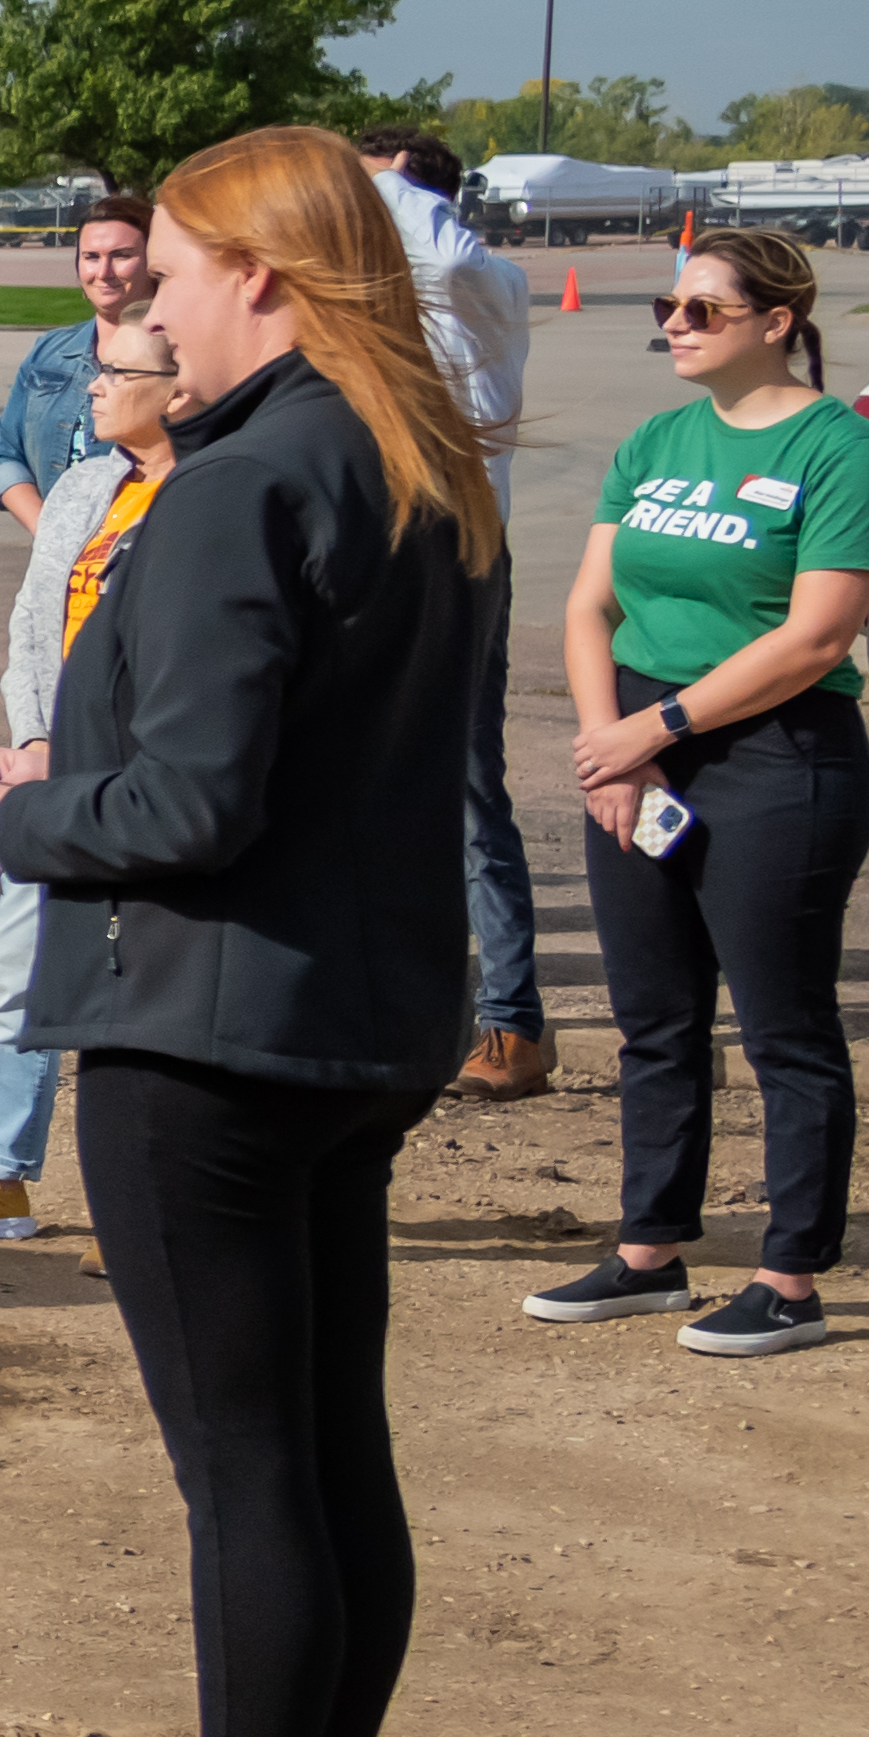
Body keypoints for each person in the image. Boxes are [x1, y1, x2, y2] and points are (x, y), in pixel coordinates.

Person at [0, 126, 492, 1737]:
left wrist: (3, 820)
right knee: (332, 1453)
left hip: (209, 1030)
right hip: (356, 1014)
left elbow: (186, 800)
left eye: (166, 267)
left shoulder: (243, 482)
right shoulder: (410, 461)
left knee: (246, 1472)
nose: (140, 300)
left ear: (261, 270)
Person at [529, 230, 869, 1359]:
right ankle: (651, 1250)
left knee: (783, 1028)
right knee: (654, 1018)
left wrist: (659, 726)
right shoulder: (656, 438)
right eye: (669, 307)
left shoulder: (842, 450)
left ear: (777, 321)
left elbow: (818, 634)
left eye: (701, 310)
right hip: (639, 750)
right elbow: (590, 603)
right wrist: (611, 743)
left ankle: (791, 1278)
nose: (674, 326)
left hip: (778, 757)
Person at [0, 298, 175, 1242]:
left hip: (145, 786)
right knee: (18, 974)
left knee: (144, 997)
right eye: (96, 369)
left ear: (177, 390)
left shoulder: (209, 497)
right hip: (52, 777)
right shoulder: (82, 486)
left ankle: (152, 1210)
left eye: (119, 375)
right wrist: (31, 744)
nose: (94, 386)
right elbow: (30, 623)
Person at [362, 129, 555, 1101]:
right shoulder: (380, 299)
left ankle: (512, 1022)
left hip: (460, 553)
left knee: (469, 788)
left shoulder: (486, 284)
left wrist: (361, 184)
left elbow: (431, 245)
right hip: (371, 546)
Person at [0, 195, 155, 532]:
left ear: (153, 262)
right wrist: (49, 533)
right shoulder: (51, 351)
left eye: (122, 256)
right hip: (56, 568)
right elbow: (5, 456)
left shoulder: (175, 358)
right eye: (91, 257)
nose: (103, 272)